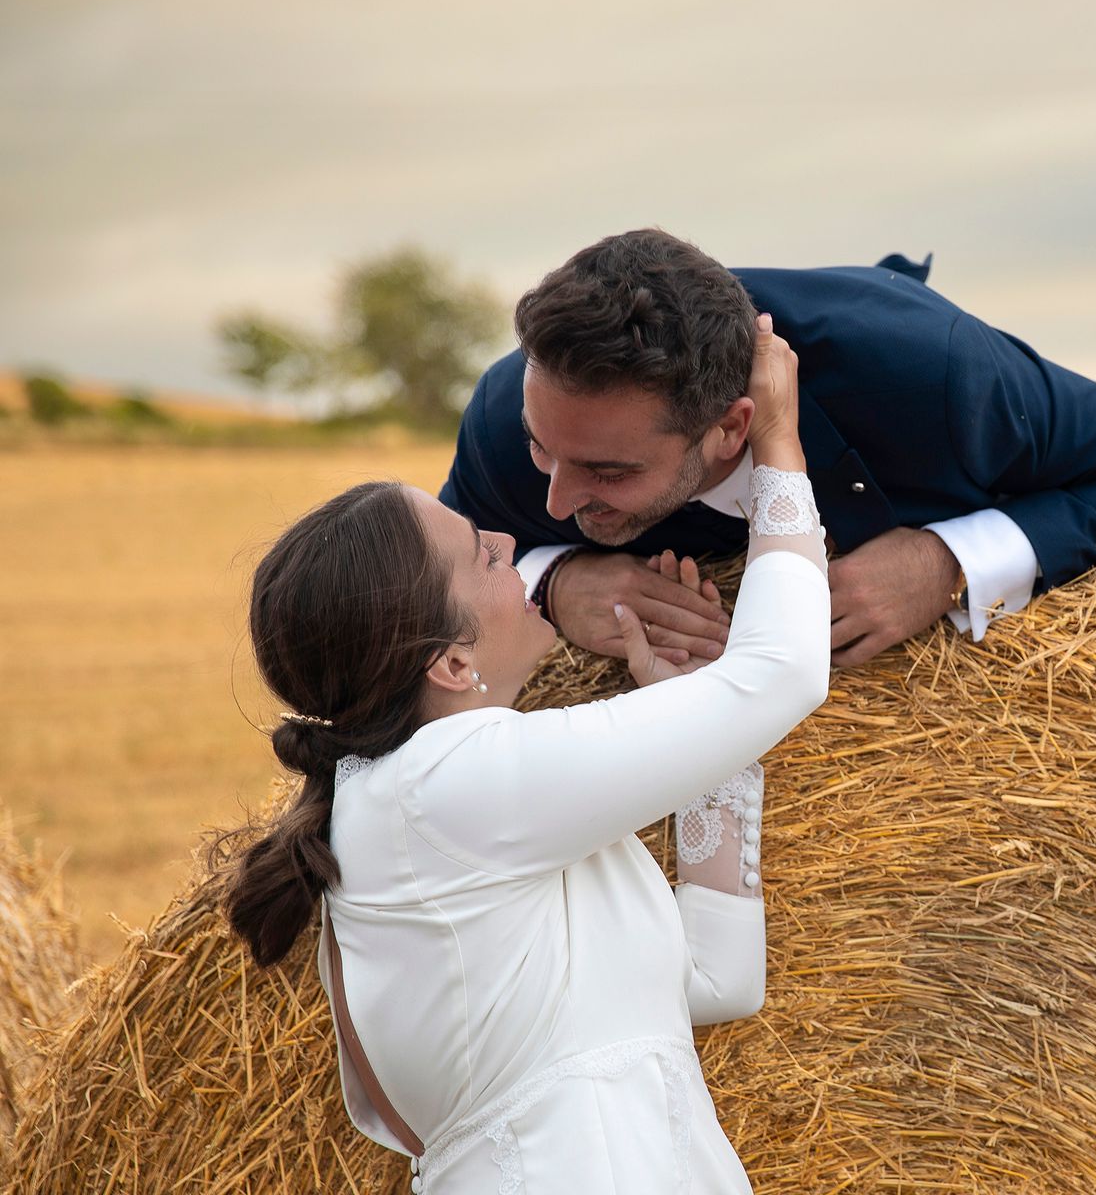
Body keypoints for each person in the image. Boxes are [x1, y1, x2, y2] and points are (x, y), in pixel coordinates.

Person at [224, 320, 827, 1192]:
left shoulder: (436, 809)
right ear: (451, 661)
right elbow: (786, 671)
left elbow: (715, 979)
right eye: (481, 554)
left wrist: (702, 733)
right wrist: (777, 443)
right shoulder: (447, 786)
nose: (512, 545)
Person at [439, 228, 1096, 667]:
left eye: (609, 471)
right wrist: (552, 577)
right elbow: (425, 585)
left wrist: (945, 563)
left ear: (730, 430)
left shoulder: (938, 377)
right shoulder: (516, 411)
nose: (556, 501)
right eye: (547, 453)